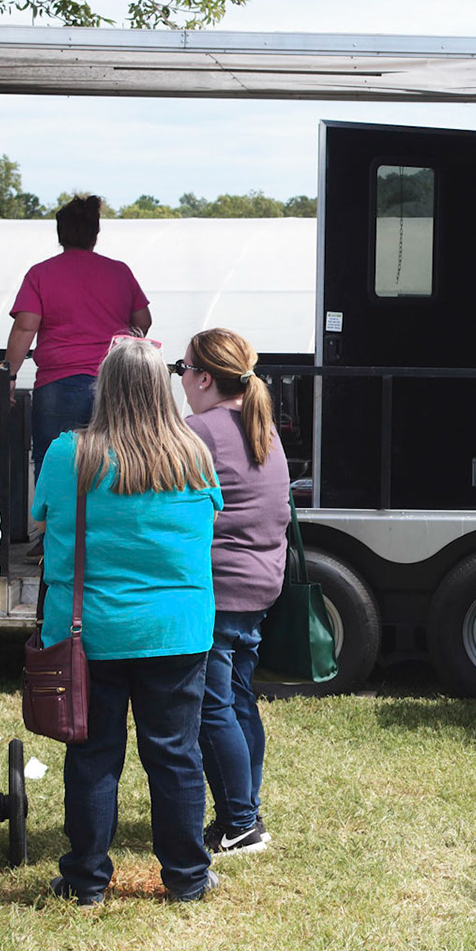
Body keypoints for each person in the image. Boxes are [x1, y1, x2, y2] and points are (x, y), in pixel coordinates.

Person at [35, 336, 223, 905]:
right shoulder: (193, 453)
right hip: (177, 628)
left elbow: (40, 521)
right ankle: (188, 878)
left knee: (93, 755)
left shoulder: (69, 454)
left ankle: (86, 879)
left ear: (104, 387)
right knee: (175, 754)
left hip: (90, 632)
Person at [179, 328, 291, 858]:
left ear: (204, 377)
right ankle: (246, 812)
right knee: (240, 699)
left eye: (182, 371)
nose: (180, 382)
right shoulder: (262, 425)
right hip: (261, 584)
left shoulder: (198, 430)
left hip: (219, 587)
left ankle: (239, 823)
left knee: (211, 706)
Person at [6, 195, 152, 476]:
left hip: (58, 386)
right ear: (95, 234)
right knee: (114, 465)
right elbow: (143, 321)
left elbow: (26, 327)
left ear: (60, 234)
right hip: (113, 384)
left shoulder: (41, 274)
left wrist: (10, 376)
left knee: (55, 466)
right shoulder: (119, 272)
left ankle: (54, 521)